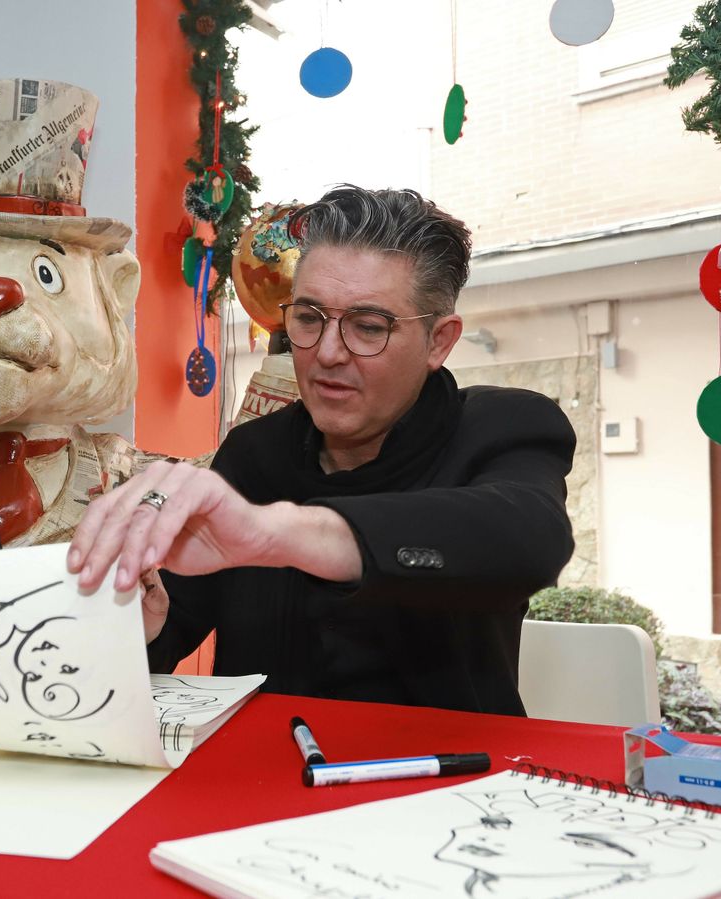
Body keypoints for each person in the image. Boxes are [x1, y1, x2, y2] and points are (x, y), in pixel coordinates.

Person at [70, 186, 575, 715]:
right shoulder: (256, 453)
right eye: (309, 318)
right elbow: (166, 630)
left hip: (449, 783)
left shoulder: (503, 426)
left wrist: (274, 534)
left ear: (439, 342)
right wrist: (134, 622)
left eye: (369, 327)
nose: (327, 354)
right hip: (261, 783)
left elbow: (530, 538)